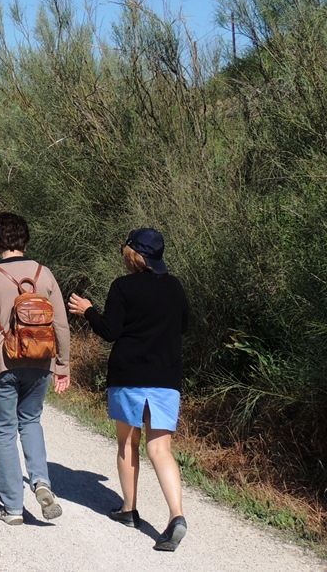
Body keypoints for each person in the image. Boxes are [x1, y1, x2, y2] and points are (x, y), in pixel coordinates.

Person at [68, 228, 189, 552]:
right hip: (166, 380)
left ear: (134, 255)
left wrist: (88, 310)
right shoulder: (175, 287)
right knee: (161, 450)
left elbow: (110, 331)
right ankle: (176, 515)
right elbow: (185, 326)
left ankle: (129, 510)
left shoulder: (123, 287)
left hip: (130, 376)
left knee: (128, 443)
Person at [0, 212, 70, 525]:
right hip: (40, 361)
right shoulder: (43, 273)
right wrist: (63, 365)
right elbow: (61, 323)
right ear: (25, 240)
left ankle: (13, 509)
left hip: (1, 362)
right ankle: (41, 482)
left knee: (5, 431)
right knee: (31, 421)